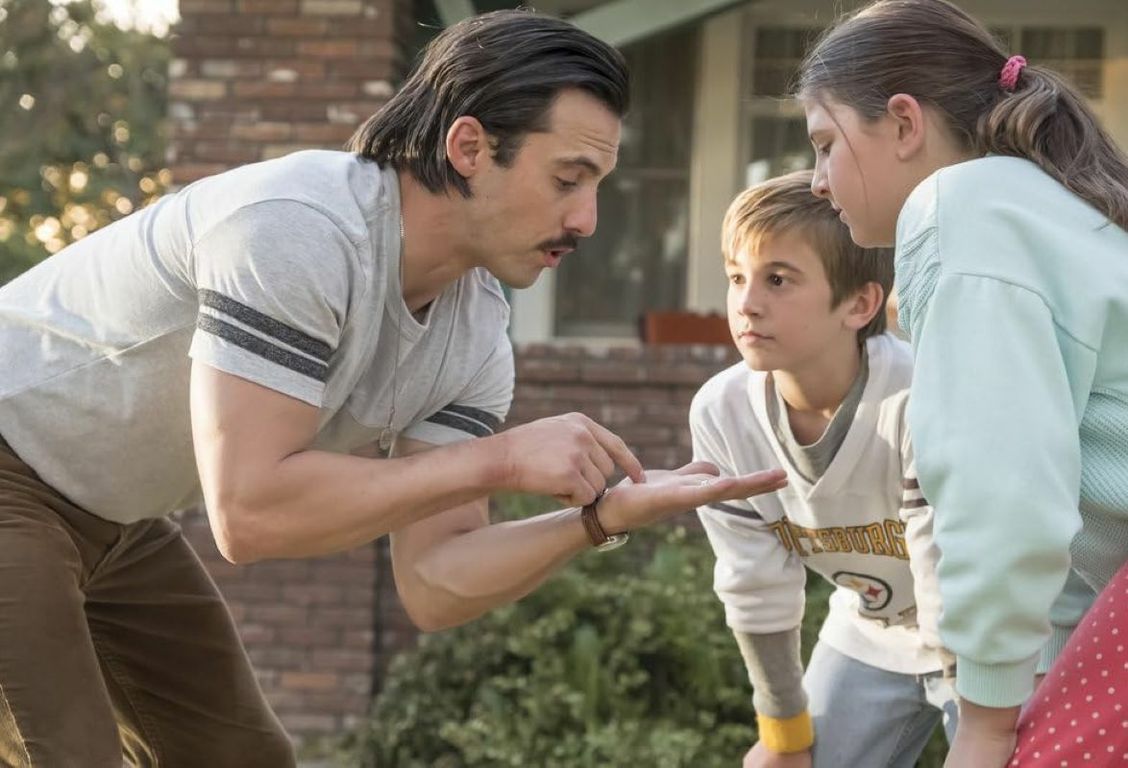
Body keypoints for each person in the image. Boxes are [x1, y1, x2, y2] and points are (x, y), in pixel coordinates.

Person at [0, 10, 786, 767]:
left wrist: (598, 519)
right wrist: (500, 461)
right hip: (14, 465)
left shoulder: (474, 333)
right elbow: (250, 510)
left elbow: (436, 582)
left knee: (237, 756)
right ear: (470, 146)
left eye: (597, 186)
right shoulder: (299, 229)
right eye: (567, 180)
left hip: (114, 517)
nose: (586, 220)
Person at [795, 1, 1128, 766]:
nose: (816, 181)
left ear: (903, 122)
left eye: (825, 144)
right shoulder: (1050, 205)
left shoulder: (961, 208)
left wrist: (985, 719)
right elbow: (1063, 515)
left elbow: (1003, 490)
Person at [693, 170, 955, 768]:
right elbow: (754, 582)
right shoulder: (723, 413)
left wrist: (979, 720)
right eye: (737, 277)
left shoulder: (919, 395)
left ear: (859, 304)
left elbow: (945, 568)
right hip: (870, 633)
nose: (746, 303)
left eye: (777, 279)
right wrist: (784, 736)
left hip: (983, 637)